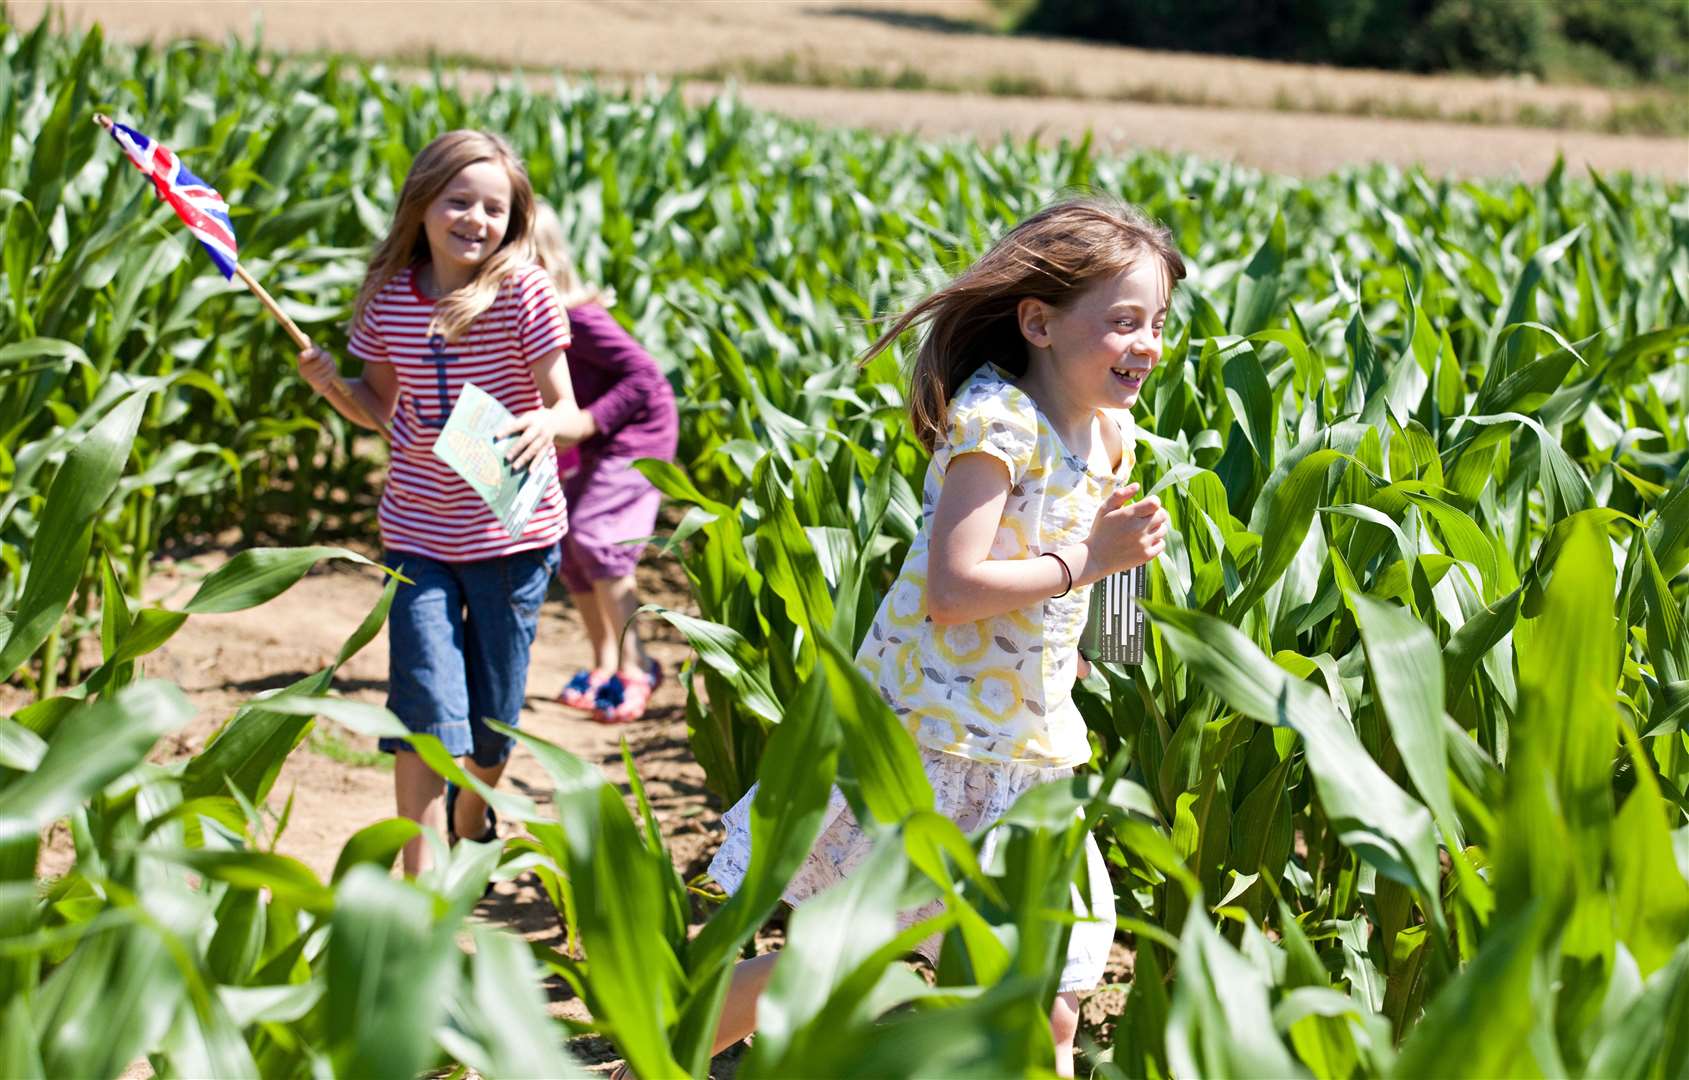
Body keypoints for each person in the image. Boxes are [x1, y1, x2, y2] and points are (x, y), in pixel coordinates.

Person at [703, 197, 1182, 1077]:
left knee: (1052, 1007)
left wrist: (1089, 639)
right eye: (1123, 323)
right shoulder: (997, 424)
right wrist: (1086, 561)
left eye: (1157, 322)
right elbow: (953, 590)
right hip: (935, 745)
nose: (1147, 344)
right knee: (839, 964)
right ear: (1037, 321)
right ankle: (659, 1052)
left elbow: (1095, 562)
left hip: (1031, 752)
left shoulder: (1113, 434)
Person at [296, 130, 589, 876]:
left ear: (513, 219)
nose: (475, 219)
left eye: (494, 207)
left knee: (492, 722)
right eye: (458, 200)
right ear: (421, 205)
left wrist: (542, 423)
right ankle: (419, 886)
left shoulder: (523, 292)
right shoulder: (390, 300)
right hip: (418, 536)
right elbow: (378, 407)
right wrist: (333, 383)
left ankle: (474, 802)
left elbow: (570, 410)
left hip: (510, 536)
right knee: (423, 710)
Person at [530, 202, 679, 725]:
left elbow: (644, 376)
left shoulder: (576, 315)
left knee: (598, 536)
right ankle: (603, 662)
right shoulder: (519, 318)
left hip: (636, 433)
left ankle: (637, 666)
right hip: (589, 437)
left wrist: (590, 423)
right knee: (569, 545)